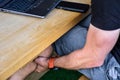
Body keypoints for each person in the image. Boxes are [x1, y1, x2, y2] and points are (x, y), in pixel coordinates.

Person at [9, 0, 120, 80]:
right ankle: (34, 61)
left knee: (53, 31)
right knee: (81, 16)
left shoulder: (107, 4)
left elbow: (93, 59)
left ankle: (33, 64)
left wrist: (51, 63)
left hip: (115, 68)